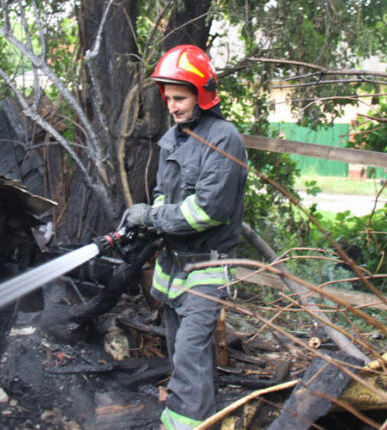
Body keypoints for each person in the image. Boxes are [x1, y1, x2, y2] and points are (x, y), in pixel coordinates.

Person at [123, 45, 247, 430]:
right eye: (169, 98)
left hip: (208, 267)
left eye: (180, 97)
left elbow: (208, 211)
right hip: (175, 267)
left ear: (202, 94)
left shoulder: (224, 139)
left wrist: (152, 215)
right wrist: (147, 223)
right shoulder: (174, 138)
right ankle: (203, 421)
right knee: (181, 354)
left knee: (191, 353)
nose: (172, 106)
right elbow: (165, 194)